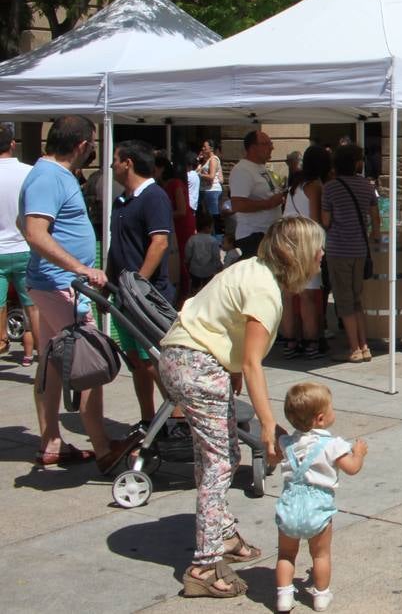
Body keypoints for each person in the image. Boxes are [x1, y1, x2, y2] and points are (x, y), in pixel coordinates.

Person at [159, 216, 325, 598]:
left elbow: (226, 326)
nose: (321, 254)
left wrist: (231, 369)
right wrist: (268, 423)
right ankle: (203, 565)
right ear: (295, 253)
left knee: (219, 455)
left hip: (186, 359)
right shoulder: (265, 289)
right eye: (316, 247)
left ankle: (225, 536)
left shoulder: (253, 269)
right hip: (197, 364)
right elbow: (252, 362)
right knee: (220, 462)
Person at [21, 115, 138, 472]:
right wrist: (79, 268)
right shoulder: (48, 176)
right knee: (90, 362)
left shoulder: (48, 175)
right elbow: (34, 232)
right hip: (60, 286)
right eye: (92, 144)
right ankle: (103, 448)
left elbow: (26, 225)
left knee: (53, 366)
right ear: (82, 145)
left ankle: (51, 442)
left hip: (53, 283)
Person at [274, 382, 368, 613]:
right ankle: (321, 596)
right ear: (320, 419)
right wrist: (359, 453)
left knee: (286, 554)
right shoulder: (333, 445)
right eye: (331, 408)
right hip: (318, 508)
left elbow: (276, 447)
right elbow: (352, 468)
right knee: (320, 555)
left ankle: (284, 596)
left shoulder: (286, 443)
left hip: (289, 506)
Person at [107, 139, 175, 426]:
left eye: (115, 159)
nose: (111, 165)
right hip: (123, 295)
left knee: (156, 359)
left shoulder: (154, 197)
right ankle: (149, 420)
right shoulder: (121, 200)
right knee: (136, 360)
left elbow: (159, 243)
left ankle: (177, 417)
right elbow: (117, 246)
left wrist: (138, 285)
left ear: (128, 163)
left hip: (146, 297)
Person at [321, 144, 379, 363]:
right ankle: (364, 345)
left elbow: (326, 221)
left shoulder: (330, 188)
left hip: (338, 249)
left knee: (344, 300)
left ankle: (354, 348)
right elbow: (375, 219)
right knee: (356, 299)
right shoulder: (366, 186)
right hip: (359, 249)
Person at [282, 145, 330, 359]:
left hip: (286, 240)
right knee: (308, 295)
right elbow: (315, 220)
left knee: (290, 294)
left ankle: (291, 341)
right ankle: (311, 342)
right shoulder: (314, 186)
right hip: (306, 242)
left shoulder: (295, 183)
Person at [0, 123, 37, 366]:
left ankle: (2, 341)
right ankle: (43, 352)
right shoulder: (30, 172)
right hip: (25, 247)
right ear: (13, 144)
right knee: (32, 306)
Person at [230, 130, 286, 258]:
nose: (272, 147)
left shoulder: (261, 167)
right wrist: (269, 203)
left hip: (267, 236)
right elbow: (238, 205)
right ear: (253, 148)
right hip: (253, 237)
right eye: (267, 144)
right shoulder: (242, 170)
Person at [155, 152, 194, 294]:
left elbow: (182, 210)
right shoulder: (166, 185)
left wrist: (161, 216)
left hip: (181, 226)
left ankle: (184, 293)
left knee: (182, 260)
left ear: (161, 169)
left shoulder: (175, 184)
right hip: (174, 225)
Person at [185, 207, 223, 295]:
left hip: (195, 269)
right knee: (207, 289)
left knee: (194, 288)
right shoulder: (213, 240)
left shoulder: (192, 239)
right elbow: (216, 256)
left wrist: (187, 262)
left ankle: (193, 300)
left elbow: (188, 254)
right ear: (208, 227)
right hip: (208, 271)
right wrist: (219, 266)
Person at [197, 139, 223, 233]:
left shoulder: (213, 160)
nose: (202, 148)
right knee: (208, 215)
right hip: (206, 190)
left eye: (205, 147)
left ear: (211, 148)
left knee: (213, 214)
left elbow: (211, 176)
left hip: (212, 190)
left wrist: (200, 175)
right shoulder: (206, 160)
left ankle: (217, 236)